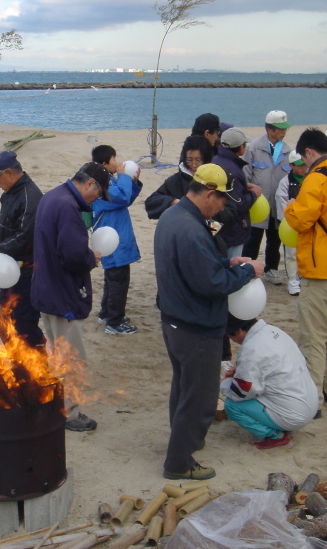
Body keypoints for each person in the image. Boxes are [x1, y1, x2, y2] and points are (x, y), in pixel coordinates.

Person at [154, 163, 263, 480]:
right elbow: (213, 284)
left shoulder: (175, 217)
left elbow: (194, 267)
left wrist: (226, 261)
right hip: (195, 326)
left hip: (175, 320)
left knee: (183, 387)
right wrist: (246, 271)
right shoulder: (191, 228)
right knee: (199, 398)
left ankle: (182, 441)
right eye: (223, 199)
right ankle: (178, 463)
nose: (225, 206)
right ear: (210, 193)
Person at [32, 162, 111, 432]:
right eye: (98, 194)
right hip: (63, 294)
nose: (96, 200)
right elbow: (73, 255)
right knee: (72, 357)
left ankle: (54, 403)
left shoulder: (52, 196)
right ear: (90, 184)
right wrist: (92, 256)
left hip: (46, 288)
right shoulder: (68, 206)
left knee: (56, 353)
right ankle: (70, 413)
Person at [284, 128, 327, 418]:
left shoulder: (316, 179)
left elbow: (301, 220)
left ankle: (312, 399)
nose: (304, 163)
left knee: (313, 336)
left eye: (304, 157)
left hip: (319, 270)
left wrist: (290, 208)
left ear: (310, 152)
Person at [221, 315, 318, 449]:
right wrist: (239, 371)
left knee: (232, 405)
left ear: (237, 331)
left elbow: (242, 393)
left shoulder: (252, 349)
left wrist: (224, 383)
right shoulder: (274, 331)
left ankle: (275, 437)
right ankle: (278, 423)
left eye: (230, 337)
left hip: (293, 415)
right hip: (308, 401)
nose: (231, 340)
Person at [0, 151, 45, 347]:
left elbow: (25, 238)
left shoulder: (30, 197)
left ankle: (37, 362)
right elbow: (4, 224)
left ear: (9, 173)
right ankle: (19, 358)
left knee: (24, 322)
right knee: (7, 314)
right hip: (9, 268)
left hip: (27, 271)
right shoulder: (9, 194)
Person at [91, 145, 142, 335]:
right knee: (118, 281)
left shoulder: (108, 182)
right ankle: (114, 322)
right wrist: (124, 177)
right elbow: (121, 196)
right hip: (113, 241)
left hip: (115, 238)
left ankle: (106, 313)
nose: (118, 163)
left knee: (112, 280)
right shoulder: (102, 185)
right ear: (104, 164)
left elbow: (126, 198)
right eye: (114, 160)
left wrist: (133, 182)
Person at [242, 110, 294, 286]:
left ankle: (271, 269)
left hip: (277, 205)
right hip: (257, 205)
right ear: (269, 129)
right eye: (280, 129)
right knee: (252, 239)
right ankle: (247, 268)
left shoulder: (287, 151)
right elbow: (246, 175)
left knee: (275, 239)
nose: (283, 132)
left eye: (285, 128)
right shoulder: (254, 148)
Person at [212, 127, 260, 258]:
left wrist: (243, 187)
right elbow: (238, 204)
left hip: (216, 224)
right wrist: (253, 194)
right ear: (240, 148)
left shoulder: (216, 160)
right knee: (232, 266)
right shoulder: (234, 168)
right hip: (233, 229)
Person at [145, 135, 213, 220]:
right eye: (190, 160)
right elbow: (151, 202)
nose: (194, 165)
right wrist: (172, 202)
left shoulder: (216, 178)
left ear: (206, 159)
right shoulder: (177, 180)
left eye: (198, 160)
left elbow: (229, 209)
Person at [274, 151, 307, 296]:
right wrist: (291, 219)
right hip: (291, 225)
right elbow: (282, 205)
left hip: (307, 222)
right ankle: (293, 280)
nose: (303, 168)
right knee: (291, 254)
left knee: (305, 253)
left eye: (304, 164)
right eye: (299, 165)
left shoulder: (310, 179)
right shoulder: (285, 183)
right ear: (291, 165)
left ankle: (304, 277)